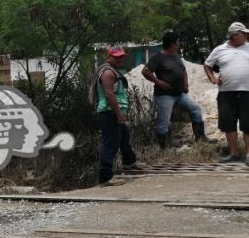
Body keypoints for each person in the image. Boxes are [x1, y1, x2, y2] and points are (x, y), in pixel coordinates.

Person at [204, 22, 249, 167]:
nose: (246, 35)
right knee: (229, 123)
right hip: (226, 93)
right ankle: (233, 153)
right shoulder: (219, 50)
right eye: (243, 33)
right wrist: (213, 78)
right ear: (233, 35)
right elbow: (207, 65)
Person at [142, 35, 214, 147]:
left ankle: (200, 138)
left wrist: (185, 84)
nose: (179, 44)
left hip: (179, 94)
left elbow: (183, 70)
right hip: (164, 95)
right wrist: (159, 82)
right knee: (164, 120)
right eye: (178, 42)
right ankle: (164, 146)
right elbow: (145, 71)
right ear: (172, 44)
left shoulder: (176, 55)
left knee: (195, 109)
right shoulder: (158, 57)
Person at [89, 46, 136, 187]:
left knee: (124, 138)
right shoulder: (108, 73)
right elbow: (109, 95)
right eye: (117, 57)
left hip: (113, 112)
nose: (120, 59)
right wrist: (119, 113)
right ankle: (105, 177)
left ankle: (130, 162)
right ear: (109, 57)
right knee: (110, 144)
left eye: (121, 56)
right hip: (109, 113)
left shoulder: (114, 71)